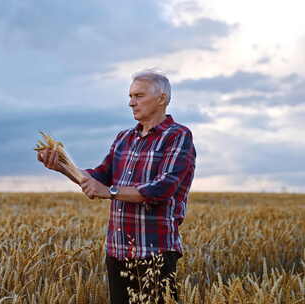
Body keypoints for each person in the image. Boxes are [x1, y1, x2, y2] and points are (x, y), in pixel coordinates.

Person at [37, 69, 196, 303]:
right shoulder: (124, 138)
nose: (131, 103)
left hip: (155, 252)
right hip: (117, 251)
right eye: (130, 96)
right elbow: (99, 177)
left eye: (139, 96)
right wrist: (61, 165)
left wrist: (110, 192)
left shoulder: (177, 136)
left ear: (161, 98)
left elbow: (163, 188)